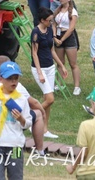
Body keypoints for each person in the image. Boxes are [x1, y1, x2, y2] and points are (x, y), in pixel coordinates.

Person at [31, 8, 68, 138]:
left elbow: (52, 50)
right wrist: (40, 73)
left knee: (48, 99)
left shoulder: (49, 30)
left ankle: (44, 129)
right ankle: (30, 118)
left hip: (50, 67)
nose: (51, 22)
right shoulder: (36, 33)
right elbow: (34, 53)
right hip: (39, 68)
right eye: (49, 20)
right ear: (42, 20)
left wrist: (61, 65)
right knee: (50, 99)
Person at [53, 0, 81, 96]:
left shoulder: (73, 12)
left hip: (68, 37)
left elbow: (71, 28)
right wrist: (55, 36)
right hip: (59, 36)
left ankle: (77, 87)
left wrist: (62, 39)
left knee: (73, 63)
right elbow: (54, 24)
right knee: (60, 62)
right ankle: (58, 84)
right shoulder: (58, 10)